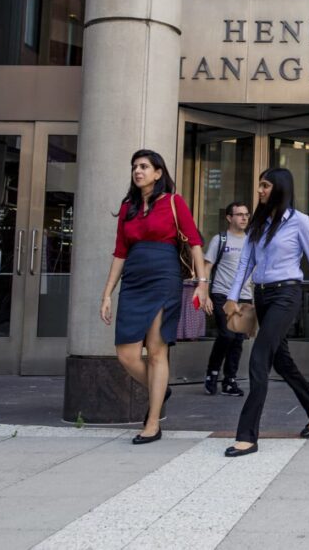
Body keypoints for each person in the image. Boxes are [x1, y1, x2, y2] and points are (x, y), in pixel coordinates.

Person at [223, 168, 309, 457]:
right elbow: (245, 261)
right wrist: (232, 297)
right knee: (281, 361)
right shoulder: (258, 222)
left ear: (280, 188)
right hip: (262, 295)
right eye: (259, 185)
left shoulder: (300, 222)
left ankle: (246, 435)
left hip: (286, 294)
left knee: (259, 357)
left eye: (265, 185)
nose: (259, 190)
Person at [99, 150, 210, 444]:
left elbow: (195, 243)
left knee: (157, 351)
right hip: (134, 280)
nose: (138, 171)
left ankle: (152, 422)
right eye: (135, 166)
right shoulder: (128, 207)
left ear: (158, 173)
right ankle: (160, 389)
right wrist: (107, 293)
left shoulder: (174, 202)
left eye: (144, 166)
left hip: (164, 278)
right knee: (127, 354)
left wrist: (202, 282)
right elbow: (120, 251)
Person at [203, 201, 252, 397]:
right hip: (222, 294)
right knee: (227, 334)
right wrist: (204, 293)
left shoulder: (252, 241)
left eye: (246, 214)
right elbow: (207, 267)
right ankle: (212, 373)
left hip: (245, 296)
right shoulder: (220, 239)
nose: (244, 218)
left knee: (238, 339)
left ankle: (229, 380)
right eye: (239, 214)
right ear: (229, 218)